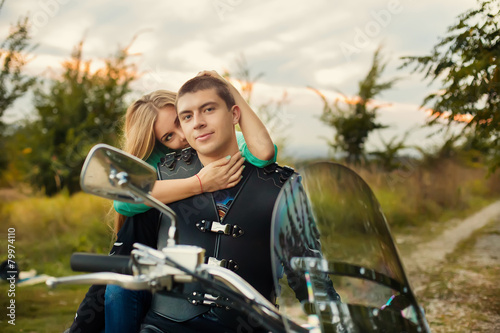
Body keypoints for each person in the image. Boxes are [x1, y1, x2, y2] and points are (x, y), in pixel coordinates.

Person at [68, 71, 277, 333]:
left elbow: (265, 152)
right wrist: (199, 183)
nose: (183, 134)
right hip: (161, 248)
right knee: (120, 278)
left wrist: (227, 89)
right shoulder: (163, 161)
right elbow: (124, 204)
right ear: (159, 142)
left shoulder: (226, 143)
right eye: (168, 136)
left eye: (182, 120)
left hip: (222, 257)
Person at [139, 74, 339, 333]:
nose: (198, 123)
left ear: (235, 115)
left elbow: (309, 275)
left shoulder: (281, 185)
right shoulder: (163, 175)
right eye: (187, 116)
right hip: (165, 326)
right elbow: (126, 233)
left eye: (208, 109)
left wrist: (336, 323)